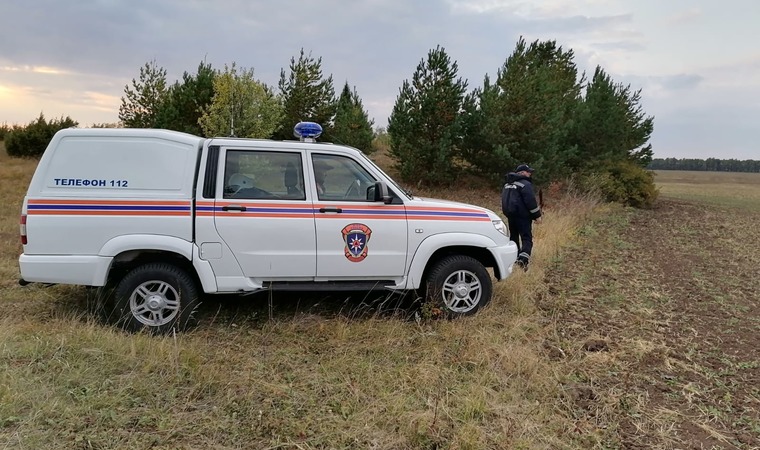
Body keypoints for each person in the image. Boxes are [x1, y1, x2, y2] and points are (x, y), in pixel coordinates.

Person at [501, 164, 542, 270]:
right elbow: (530, 202)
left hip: (510, 215)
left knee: (514, 237)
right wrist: (537, 216)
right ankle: (523, 261)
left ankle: (513, 258)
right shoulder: (525, 184)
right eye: (528, 172)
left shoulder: (507, 184)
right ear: (523, 173)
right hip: (523, 217)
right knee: (526, 238)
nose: (530, 174)